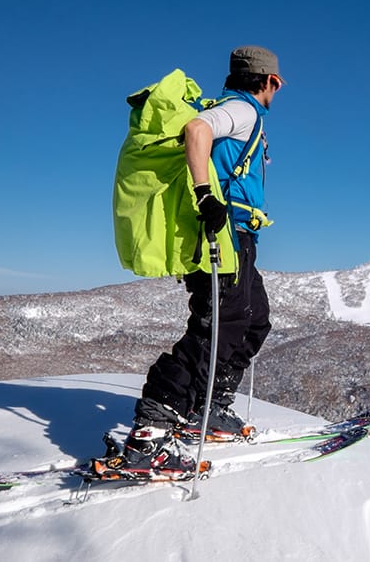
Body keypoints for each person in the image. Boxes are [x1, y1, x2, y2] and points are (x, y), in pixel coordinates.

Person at [121, 46, 283, 472]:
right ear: (271, 82)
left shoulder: (239, 110)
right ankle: (152, 425)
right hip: (223, 232)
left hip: (239, 236)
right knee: (220, 326)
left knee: (253, 320)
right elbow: (197, 129)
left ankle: (206, 407)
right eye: (276, 84)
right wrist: (204, 195)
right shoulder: (242, 111)